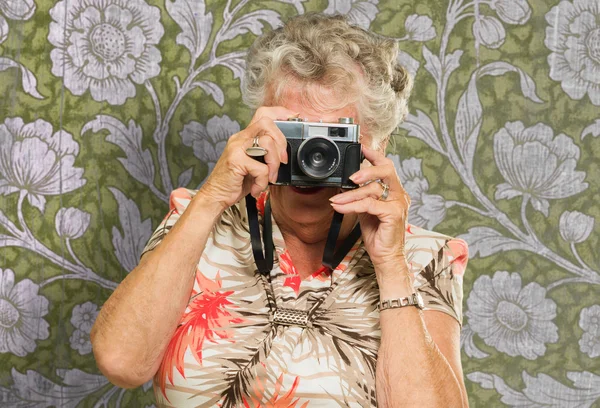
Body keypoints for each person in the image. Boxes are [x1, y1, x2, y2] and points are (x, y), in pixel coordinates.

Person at [91, 13, 469, 407]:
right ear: (257, 126)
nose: (311, 159)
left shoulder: (423, 258)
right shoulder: (199, 220)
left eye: (333, 139)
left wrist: (391, 265)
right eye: (296, 134)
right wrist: (211, 198)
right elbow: (121, 363)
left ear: (379, 144)